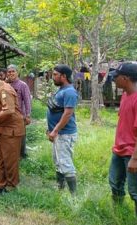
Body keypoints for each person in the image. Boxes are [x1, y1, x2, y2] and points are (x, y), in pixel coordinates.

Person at [108, 63, 137, 218]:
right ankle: (119, 216)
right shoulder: (126, 95)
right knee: (115, 184)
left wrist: (135, 158)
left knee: (135, 192)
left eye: (116, 77)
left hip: (133, 153)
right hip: (119, 150)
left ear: (125, 78)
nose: (113, 80)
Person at [46, 64, 78, 194]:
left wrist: (55, 130)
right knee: (58, 162)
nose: (52, 77)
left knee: (65, 163)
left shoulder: (69, 92)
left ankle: (73, 196)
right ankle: (60, 188)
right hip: (58, 133)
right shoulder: (61, 89)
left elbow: (67, 114)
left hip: (64, 134)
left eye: (55, 75)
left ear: (63, 76)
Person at [6, 64, 32, 158]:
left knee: (21, 135)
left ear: (17, 73)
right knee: (11, 135)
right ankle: (13, 154)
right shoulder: (6, 85)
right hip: (8, 115)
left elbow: (27, 100)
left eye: (13, 71)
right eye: (9, 72)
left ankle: (22, 154)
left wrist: (28, 115)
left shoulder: (22, 85)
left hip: (20, 116)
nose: (11, 73)